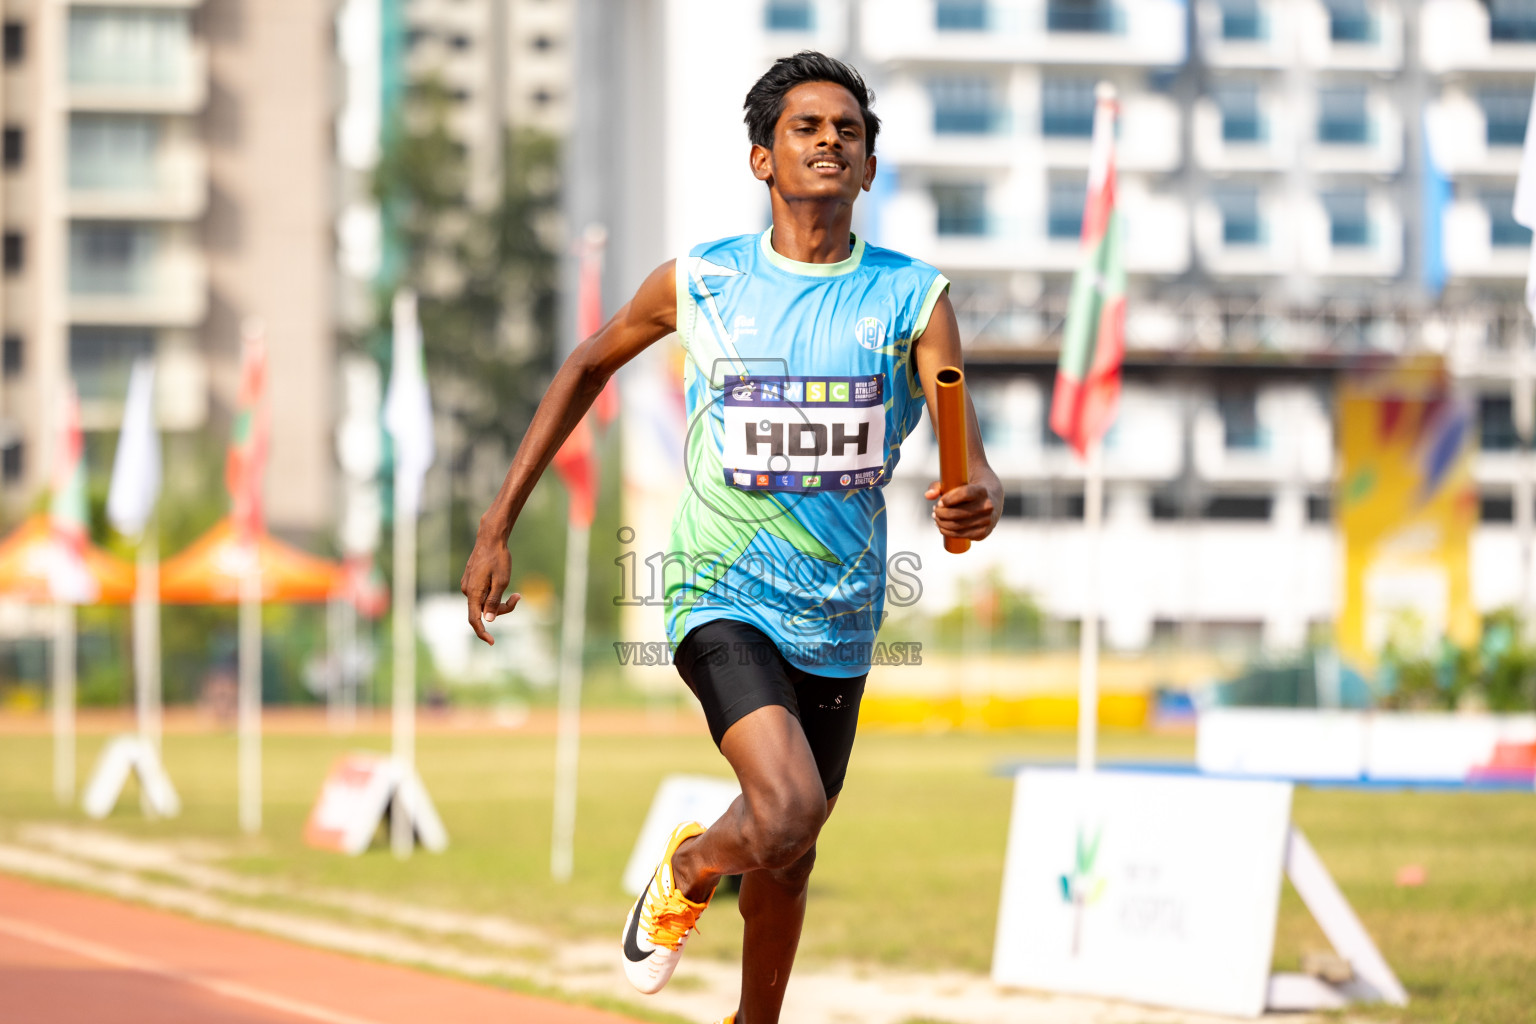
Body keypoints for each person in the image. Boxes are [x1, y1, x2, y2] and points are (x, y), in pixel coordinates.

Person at [461, 50, 1002, 1024]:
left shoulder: (915, 296)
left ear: (871, 167)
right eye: (808, 126)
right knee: (785, 808)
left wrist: (977, 494)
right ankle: (687, 864)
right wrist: (498, 522)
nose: (832, 140)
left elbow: (971, 453)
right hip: (720, 590)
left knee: (792, 854)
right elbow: (587, 365)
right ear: (763, 159)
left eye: (850, 130)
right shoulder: (703, 280)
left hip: (842, 611)